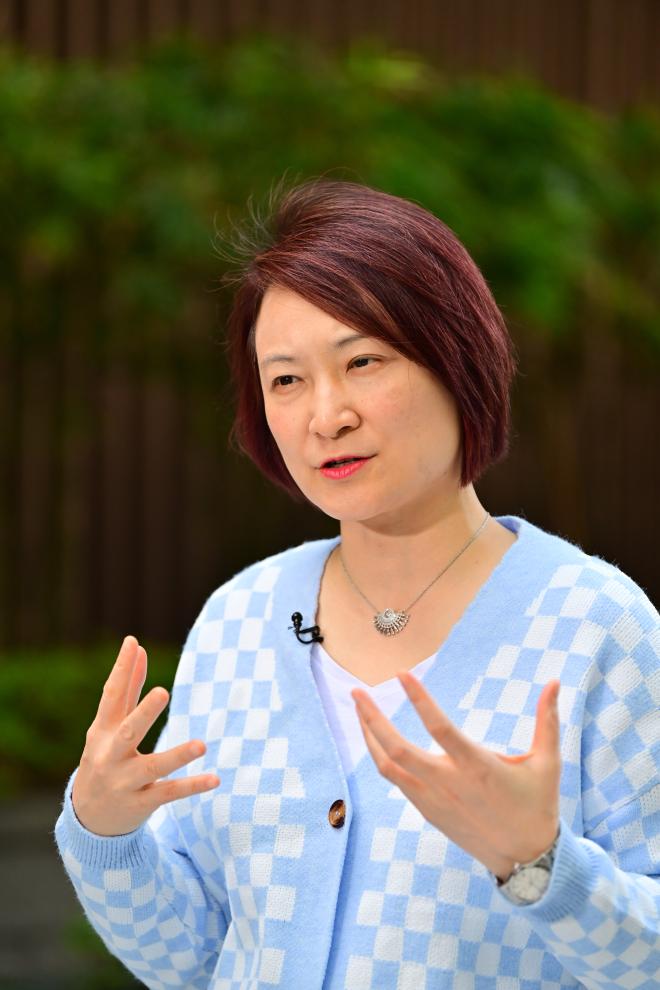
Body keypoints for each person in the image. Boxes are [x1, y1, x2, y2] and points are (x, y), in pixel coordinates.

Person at [54, 178, 659, 989]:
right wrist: (104, 831)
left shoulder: (597, 628)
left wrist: (540, 865)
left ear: (457, 358)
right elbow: (192, 959)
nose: (326, 415)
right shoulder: (238, 620)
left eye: (363, 361)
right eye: (286, 380)